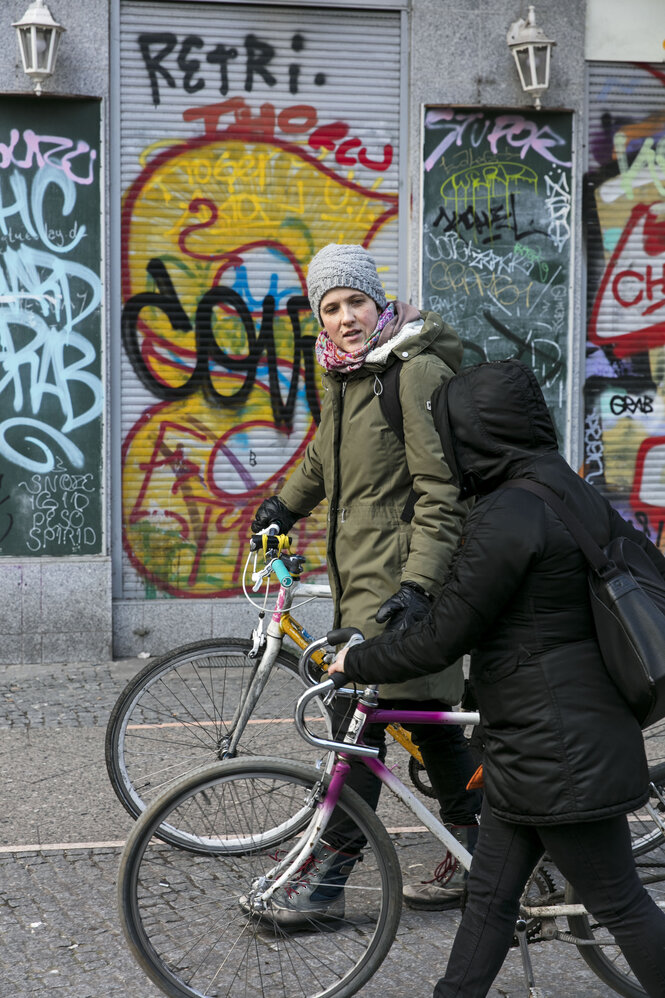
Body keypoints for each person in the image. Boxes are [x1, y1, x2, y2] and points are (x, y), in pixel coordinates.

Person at [330, 358, 665, 997]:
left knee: (621, 906)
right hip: (539, 741)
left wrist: (358, 661)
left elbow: (442, 638)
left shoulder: (508, 514)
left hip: (556, 752)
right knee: (487, 900)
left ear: (472, 434)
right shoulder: (565, 488)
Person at [251, 242, 482, 921]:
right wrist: (280, 507)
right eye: (331, 307)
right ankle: (486, 850)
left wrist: (418, 587)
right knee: (430, 726)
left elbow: (442, 494)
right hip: (364, 581)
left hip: (402, 585)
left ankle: (329, 880)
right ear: (318, 319)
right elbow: (326, 459)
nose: (346, 317)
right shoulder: (348, 375)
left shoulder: (412, 372)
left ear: (377, 301)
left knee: (357, 724)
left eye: (355, 301)